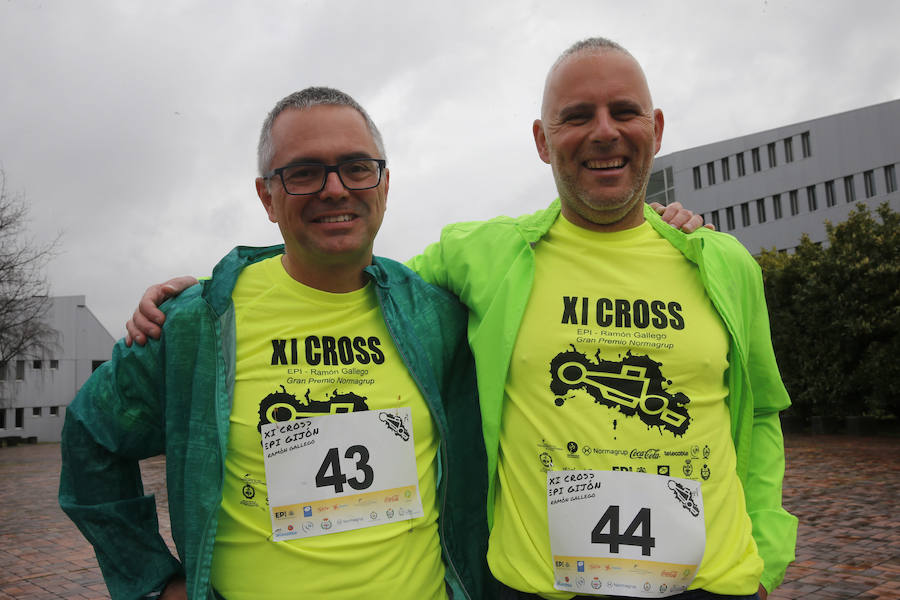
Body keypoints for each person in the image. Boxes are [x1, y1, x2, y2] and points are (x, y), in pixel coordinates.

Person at [127, 37, 792, 600]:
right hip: (537, 587)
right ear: (542, 139)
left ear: (657, 127)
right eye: (576, 116)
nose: (604, 132)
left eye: (624, 112)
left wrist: (767, 551)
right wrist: (214, 292)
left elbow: (760, 414)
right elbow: (349, 267)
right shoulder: (483, 255)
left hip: (709, 583)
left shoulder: (723, 264)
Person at [59, 87, 491, 600]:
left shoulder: (436, 318)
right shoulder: (196, 324)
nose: (335, 189)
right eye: (304, 172)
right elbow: (91, 436)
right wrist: (156, 580)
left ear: (384, 183)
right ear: (267, 196)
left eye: (356, 167)